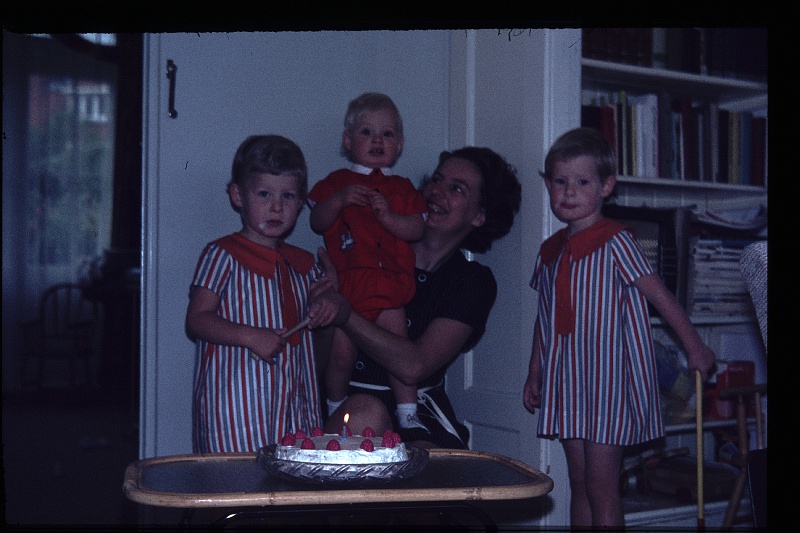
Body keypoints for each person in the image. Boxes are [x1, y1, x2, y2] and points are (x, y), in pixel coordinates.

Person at [521, 127, 716, 528]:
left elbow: (662, 298)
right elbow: (544, 319)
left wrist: (695, 347)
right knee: (577, 481)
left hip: (607, 383)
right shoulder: (550, 251)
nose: (568, 192)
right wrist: (534, 372)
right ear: (547, 185)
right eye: (559, 181)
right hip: (567, 383)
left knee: (601, 484)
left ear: (606, 186)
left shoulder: (617, 242)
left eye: (582, 182)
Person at [312, 146, 522, 449]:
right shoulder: (361, 254)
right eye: (436, 180)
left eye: (456, 188)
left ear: (479, 216)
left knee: (424, 463)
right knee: (362, 412)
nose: (437, 191)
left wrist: (346, 315)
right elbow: (314, 367)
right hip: (344, 411)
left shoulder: (471, 282)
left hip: (417, 419)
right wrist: (327, 315)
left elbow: (414, 366)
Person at [185, 134, 342, 454]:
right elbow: (197, 320)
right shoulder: (222, 255)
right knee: (238, 489)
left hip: (296, 408)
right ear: (238, 195)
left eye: (287, 196)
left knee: (289, 490)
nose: (276, 206)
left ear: (300, 203)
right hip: (235, 412)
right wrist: (250, 335)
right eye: (264, 193)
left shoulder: (304, 263)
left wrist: (328, 302)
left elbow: (323, 320)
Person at [307, 93, 428, 430]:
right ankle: (334, 404)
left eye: (387, 134)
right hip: (350, 287)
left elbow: (417, 227)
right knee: (341, 355)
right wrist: (339, 200)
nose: (378, 140)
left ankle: (408, 412)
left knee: (400, 351)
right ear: (348, 141)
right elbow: (317, 220)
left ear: (399, 144)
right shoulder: (336, 183)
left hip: (390, 284)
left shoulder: (401, 187)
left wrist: (390, 219)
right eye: (366, 133)